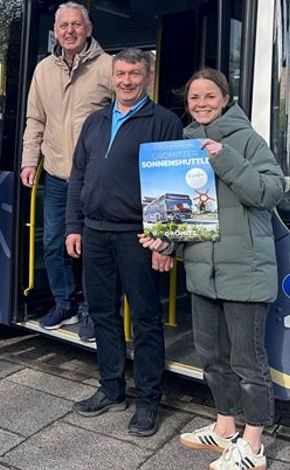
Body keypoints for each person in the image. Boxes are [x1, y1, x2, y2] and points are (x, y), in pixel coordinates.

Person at [140, 67, 286, 470]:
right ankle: (224, 428)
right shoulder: (183, 143)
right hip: (204, 271)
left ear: (225, 98)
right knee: (211, 355)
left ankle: (253, 445)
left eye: (209, 96)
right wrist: (165, 238)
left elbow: (270, 192)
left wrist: (223, 158)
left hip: (246, 271)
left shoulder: (246, 140)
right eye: (193, 98)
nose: (200, 104)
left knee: (248, 362)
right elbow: (185, 214)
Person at [66, 48, 182, 436]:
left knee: (147, 319)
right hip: (95, 232)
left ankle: (148, 400)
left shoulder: (163, 122)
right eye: (120, 74)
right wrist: (73, 226)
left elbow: (172, 183)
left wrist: (164, 242)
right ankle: (111, 388)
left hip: (139, 236)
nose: (126, 81)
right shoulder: (96, 121)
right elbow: (77, 177)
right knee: (103, 313)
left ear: (147, 77)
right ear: (112, 77)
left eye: (134, 74)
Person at [20, 1, 114, 340]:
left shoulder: (109, 67)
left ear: (88, 29)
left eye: (76, 25)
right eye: (63, 26)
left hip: (96, 179)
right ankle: (64, 303)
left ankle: (92, 309)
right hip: (58, 176)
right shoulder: (43, 70)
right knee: (53, 244)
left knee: (91, 248)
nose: (70, 31)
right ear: (55, 32)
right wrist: (29, 161)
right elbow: (35, 120)